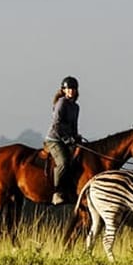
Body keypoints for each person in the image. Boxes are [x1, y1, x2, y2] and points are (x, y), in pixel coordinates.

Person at [46, 76, 81, 205]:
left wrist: (76, 137)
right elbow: (57, 125)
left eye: (73, 88)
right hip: (55, 139)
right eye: (68, 88)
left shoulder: (76, 107)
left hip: (68, 140)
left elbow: (74, 126)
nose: (71, 91)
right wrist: (67, 139)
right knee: (63, 162)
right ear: (63, 90)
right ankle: (57, 192)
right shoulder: (61, 103)